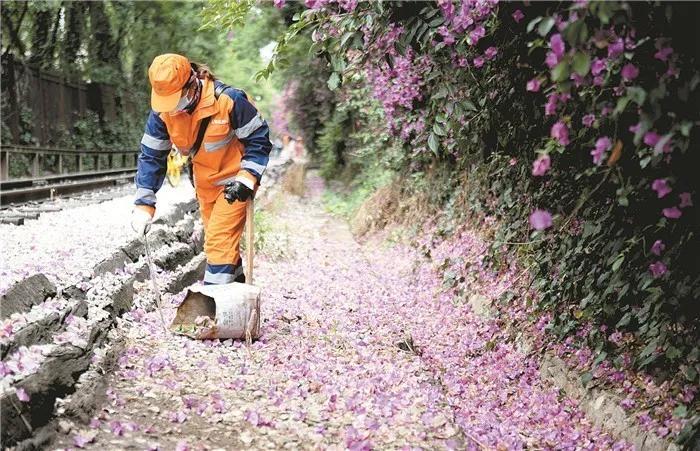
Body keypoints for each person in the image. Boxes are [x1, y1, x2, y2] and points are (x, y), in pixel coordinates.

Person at [131, 53, 272, 285]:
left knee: (218, 243)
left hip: (234, 187)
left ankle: (214, 307)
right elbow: (152, 156)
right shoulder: (163, 112)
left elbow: (259, 140)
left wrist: (247, 179)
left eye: (175, 99)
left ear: (191, 84)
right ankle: (235, 302)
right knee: (220, 246)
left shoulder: (229, 100)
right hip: (205, 189)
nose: (173, 107)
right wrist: (144, 204)